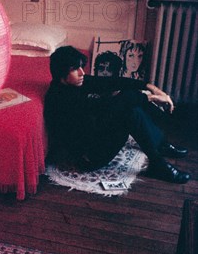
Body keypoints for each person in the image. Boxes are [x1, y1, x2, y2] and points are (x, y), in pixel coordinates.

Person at [43, 46, 190, 184]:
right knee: (130, 112)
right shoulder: (61, 99)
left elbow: (112, 82)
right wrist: (153, 97)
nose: (82, 72)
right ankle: (158, 162)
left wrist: (150, 87)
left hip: (92, 137)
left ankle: (160, 146)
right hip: (88, 157)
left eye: (81, 67)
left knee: (130, 104)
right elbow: (107, 106)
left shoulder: (71, 83)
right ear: (61, 73)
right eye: (75, 69)